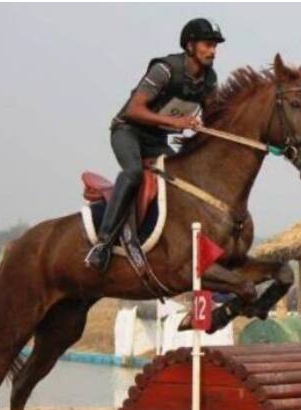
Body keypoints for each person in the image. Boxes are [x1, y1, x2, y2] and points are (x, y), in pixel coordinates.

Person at [85, 18, 225, 272]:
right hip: (128, 131)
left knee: (181, 181)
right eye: (208, 45)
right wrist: (176, 121)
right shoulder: (165, 70)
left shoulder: (209, 80)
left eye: (215, 46)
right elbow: (132, 110)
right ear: (190, 45)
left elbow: (211, 121)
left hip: (157, 140)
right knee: (133, 172)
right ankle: (103, 244)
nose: (213, 51)